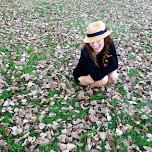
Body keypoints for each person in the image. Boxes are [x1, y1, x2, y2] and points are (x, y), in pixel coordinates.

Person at [73, 21, 118, 88]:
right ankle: (89, 87)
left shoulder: (109, 44)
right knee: (103, 79)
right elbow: (95, 76)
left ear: (105, 38)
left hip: (99, 70)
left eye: (98, 40)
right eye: (92, 41)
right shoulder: (86, 51)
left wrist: (111, 64)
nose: (95, 44)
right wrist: (111, 65)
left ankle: (98, 84)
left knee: (114, 77)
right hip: (84, 74)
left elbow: (115, 64)